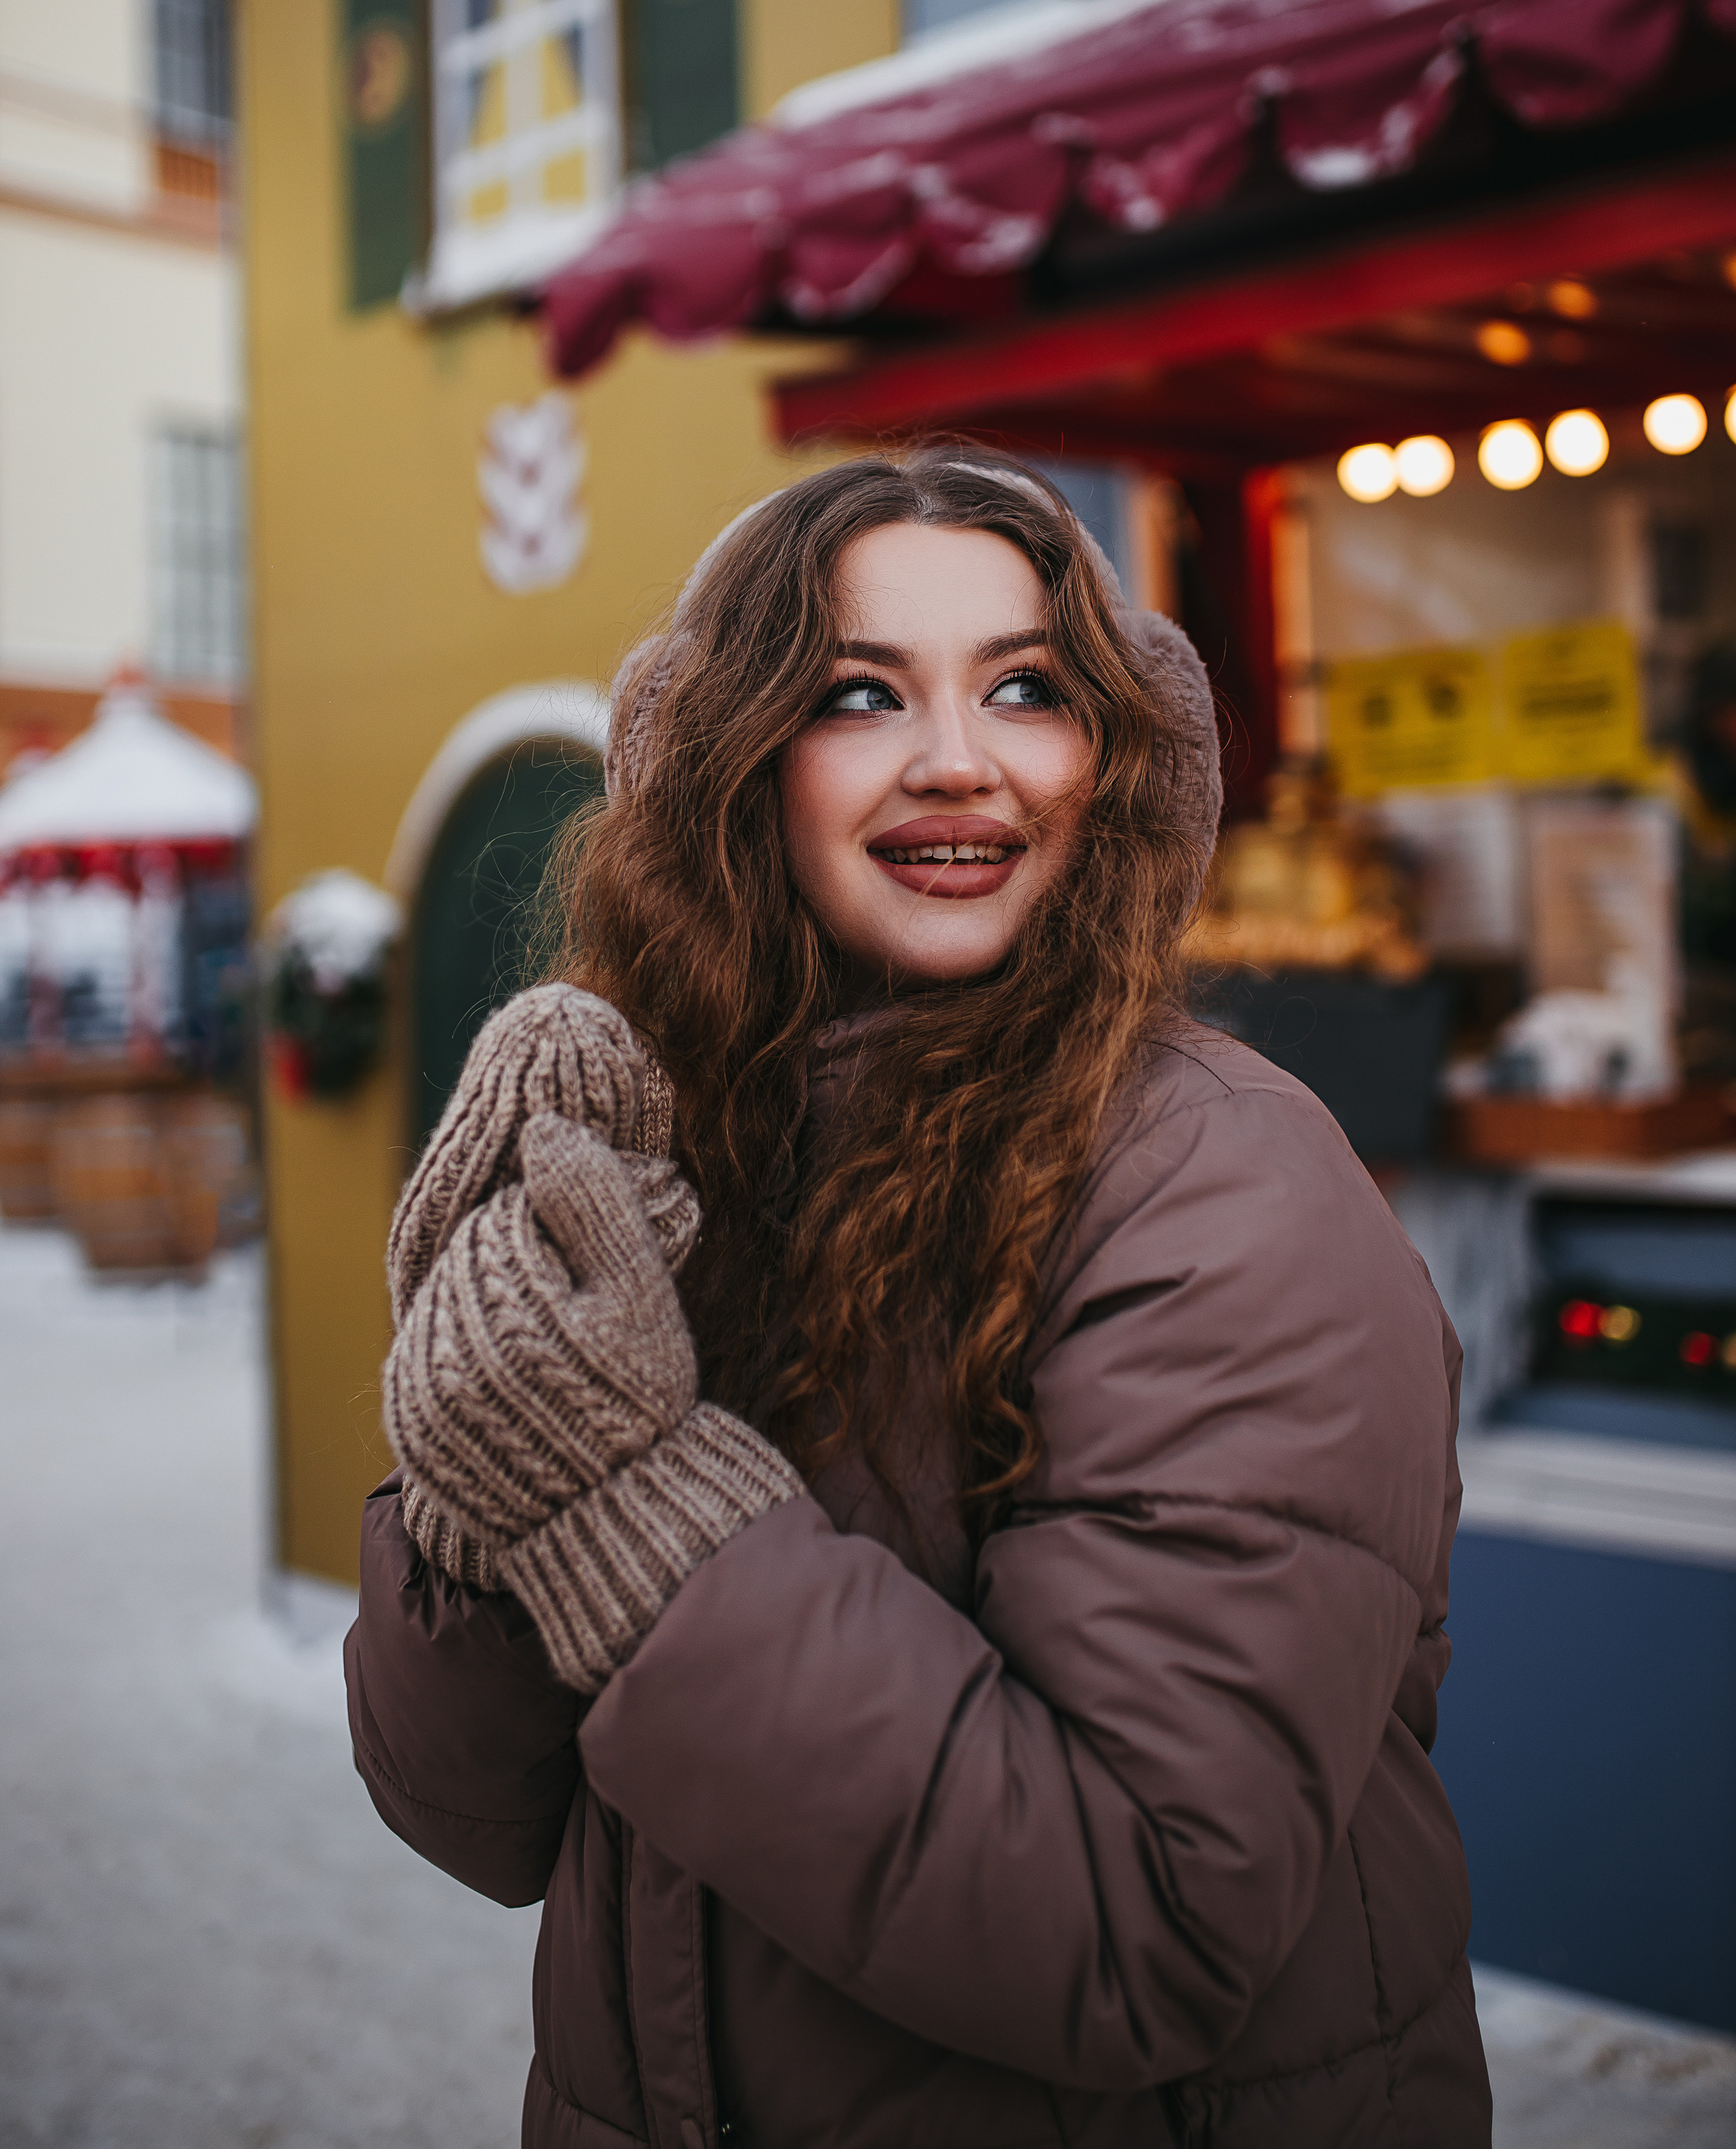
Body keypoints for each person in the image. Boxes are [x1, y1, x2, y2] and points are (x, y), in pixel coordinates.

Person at [346, 449, 1491, 2149]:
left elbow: (1139, 1927)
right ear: (735, 766)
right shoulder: (693, 1155)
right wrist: (482, 1448)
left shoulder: (1222, 1181)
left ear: (1109, 764)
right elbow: (474, 1819)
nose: (958, 759)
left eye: (1024, 689)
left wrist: (621, 1501)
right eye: (857, 693)